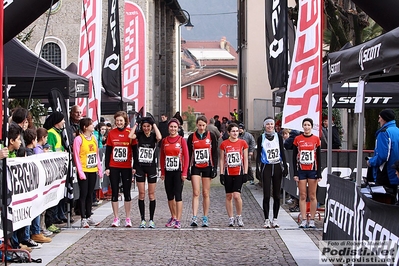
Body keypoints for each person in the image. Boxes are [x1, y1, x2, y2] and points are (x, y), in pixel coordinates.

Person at [129, 116, 162, 228]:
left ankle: (151, 219)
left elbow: (159, 137)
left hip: (151, 166)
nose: (146, 128)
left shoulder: (153, 135)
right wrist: (136, 124)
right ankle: (142, 219)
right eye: (144, 126)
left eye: (148, 126)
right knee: (142, 194)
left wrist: (154, 125)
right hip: (140, 167)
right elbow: (130, 135)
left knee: (151, 194)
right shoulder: (139, 134)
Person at [256, 117, 288, 228]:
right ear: (265, 126)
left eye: (271, 124)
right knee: (266, 194)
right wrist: (257, 169)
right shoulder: (261, 138)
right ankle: (266, 219)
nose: (270, 126)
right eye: (268, 124)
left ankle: (275, 218)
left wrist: (285, 166)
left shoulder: (278, 137)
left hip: (277, 166)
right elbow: (258, 154)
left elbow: (282, 152)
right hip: (266, 167)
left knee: (276, 195)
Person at [104, 111, 135, 227]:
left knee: (127, 192)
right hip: (114, 166)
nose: (119, 123)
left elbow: (135, 150)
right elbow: (108, 151)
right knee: (115, 192)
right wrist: (107, 167)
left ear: (125, 121)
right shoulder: (111, 133)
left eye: (121, 120)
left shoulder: (130, 133)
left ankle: (128, 218)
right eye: (117, 121)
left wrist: (134, 166)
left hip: (126, 166)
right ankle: (116, 217)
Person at [187, 116, 218, 227]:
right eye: (199, 125)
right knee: (196, 192)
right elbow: (188, 153)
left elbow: (215, 153)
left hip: (207, 166)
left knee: (205, 193)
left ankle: (205, 217)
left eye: (203, 125)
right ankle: (194, 217)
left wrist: (215, 167)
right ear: (196, 125)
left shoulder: (211, 136)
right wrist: (187, 169)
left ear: (206, 125)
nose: (201, 127)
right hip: (196, 166)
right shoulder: (192, 137)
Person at [159, 118, 189, 229]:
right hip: (168, 171)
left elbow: (186, 156)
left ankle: (178, 219)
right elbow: (162, 157)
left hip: (178, 171)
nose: (173, 129)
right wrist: (162, 171)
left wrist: (185, 172)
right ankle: (173, 216)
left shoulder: (181, 140)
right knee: (169, 196)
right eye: (171, 127)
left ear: (178, 128)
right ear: (168, 128)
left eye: (175, 127)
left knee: (178, 196)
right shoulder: (165, 140)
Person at [73, 118, 103, 228]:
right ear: (85, 127)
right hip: (84, 169)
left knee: (91, 194)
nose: (93, 126)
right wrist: (80, 171)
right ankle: (83, 217)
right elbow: (76, 155)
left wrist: (99, 168)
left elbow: (96, 154)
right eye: (91, 124)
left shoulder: (94, 138)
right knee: (83, 194)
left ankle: (89, 215)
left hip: (92, 169)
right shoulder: (78, 139)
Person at [292, 118, 321, 228]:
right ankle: (304, 219)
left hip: (312, 170)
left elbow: (318, 157)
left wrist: (319, 173)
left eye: (309, 125)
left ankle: (312, 219)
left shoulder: (316, 139)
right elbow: (294, 157)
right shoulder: (297, 139)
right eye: (305, 125)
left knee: (312, 195)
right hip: (301, 170)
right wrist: (295, 173)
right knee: (303, 195)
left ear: (311, 126)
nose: (307, 127)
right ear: (302, 126)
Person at [219, 123, 248, 227]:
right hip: (228, 172)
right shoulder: (224, 144)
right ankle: (231, 218)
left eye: (237, 131)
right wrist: (221, 173)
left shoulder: (243, 143)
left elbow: (245, 158)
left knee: (236, 195)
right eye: (233, 131)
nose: (235, 133)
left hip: (239, 172)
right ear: (229, 132)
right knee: (229, 195)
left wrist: (245, 172)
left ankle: (239, 216)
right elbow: (222, 159)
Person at [43, 112, 67, 232]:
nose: (64, 122)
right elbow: (51, 149)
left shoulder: (58, 133)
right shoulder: (52, 133)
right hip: (53, 169)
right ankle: (49, 222)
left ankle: (53, 219)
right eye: (62, 120)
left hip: (58, 169)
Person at [367, 109, 399, 199]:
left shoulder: (384, 132)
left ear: (384, 119)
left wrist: (371, 162)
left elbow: (383, 155)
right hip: (395, 172)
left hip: (386, 173)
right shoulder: (397, 131)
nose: (378, 120)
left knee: (381, 200)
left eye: (380, 118)